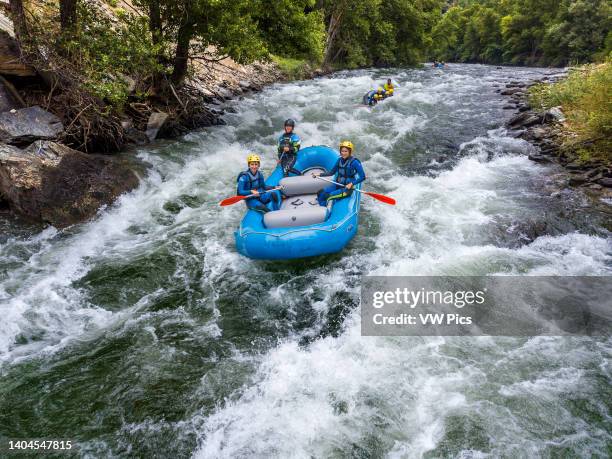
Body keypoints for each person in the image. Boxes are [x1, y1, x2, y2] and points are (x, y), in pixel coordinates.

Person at [314, 140, 366, 206]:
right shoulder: (339, 160)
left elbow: (363, 177)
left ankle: (324, 211)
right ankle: (320, 205)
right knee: (320, 192)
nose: (343, 153)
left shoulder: (355, 162)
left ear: (350, 152)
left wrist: (351, 183)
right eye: (342, 151)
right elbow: (331, 173)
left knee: (328, 196)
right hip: (338, 185)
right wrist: (319, 174)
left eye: (346, 151)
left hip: (347, 189)